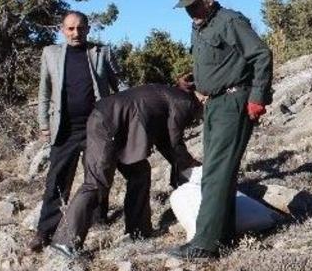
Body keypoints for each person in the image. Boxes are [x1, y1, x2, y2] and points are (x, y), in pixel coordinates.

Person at [167, 0, 273, 259]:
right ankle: (220, 236)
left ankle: (205, 244)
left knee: (216, 172)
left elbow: (261, 55)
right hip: (213, 105)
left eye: (194, 5)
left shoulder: (230, 21)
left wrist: (257, 97)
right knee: (215, 171)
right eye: (186, 8)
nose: (190, 12)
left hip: (234, 101)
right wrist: (197, 83)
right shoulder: (199, 27)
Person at [50, 83, 203, 259]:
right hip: (107, 123)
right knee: (95, 183)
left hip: (121, 127)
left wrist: (185, 164)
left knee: (140, 172)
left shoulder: (173, 94)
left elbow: (165, 140)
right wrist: (191, 167)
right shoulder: (184, 102)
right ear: (203, 98)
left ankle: (138, 231)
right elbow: (174, 142)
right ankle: (65, 242)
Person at [31, 11, 126, 253]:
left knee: (96, 176)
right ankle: (46, 230)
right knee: (57, 180)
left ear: (88, 29)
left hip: (96, 127)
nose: (76, 33)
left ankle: (97, 219)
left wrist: (124, 115)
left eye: (81, 28)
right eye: (71, 29)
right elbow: (43, 92)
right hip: (65, 128)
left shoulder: (102, 53)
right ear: (62, 30)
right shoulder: (50, 54)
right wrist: (43, 125)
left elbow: (122, 87)